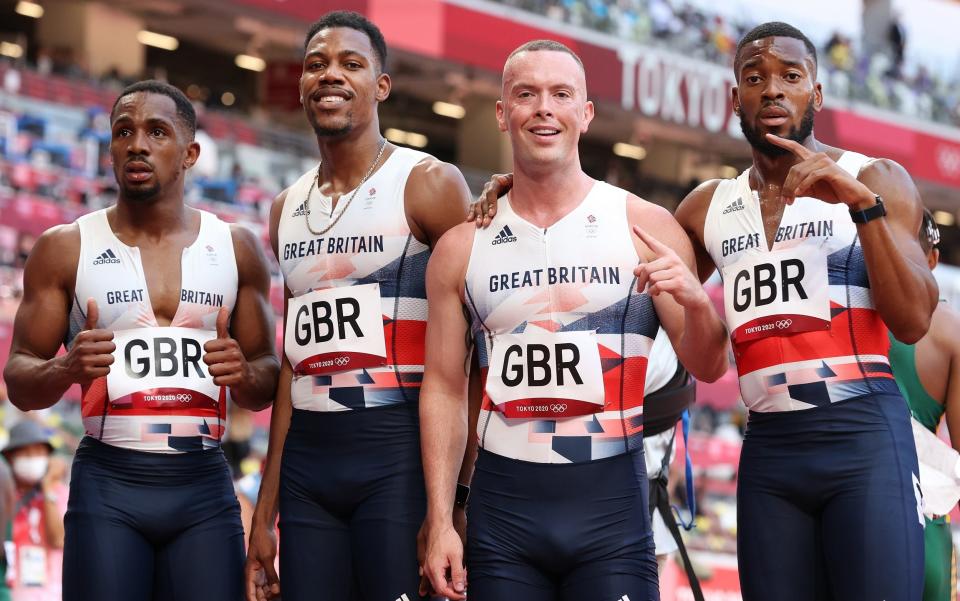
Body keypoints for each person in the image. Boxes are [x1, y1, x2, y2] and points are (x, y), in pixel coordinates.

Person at [470, 21, 937, 601]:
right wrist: (517, 192)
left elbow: (914, 319)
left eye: (790, 77)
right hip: (770, 450)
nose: (772, 91)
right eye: (754, 78)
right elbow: (625, 267)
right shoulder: (706, 208)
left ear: (815, 95)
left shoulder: (874, 178)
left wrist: (862, 208)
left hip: (863, 437)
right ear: (733, 98)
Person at [420, 40, 728, 601]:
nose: (544, 108)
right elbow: (442, 387)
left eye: (561, 94)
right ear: (501, 112)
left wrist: (701, 303)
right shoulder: (462, 247)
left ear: (585, 114)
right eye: (526, 94)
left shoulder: (645, 225)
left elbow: (708, 365)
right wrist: (442, 518)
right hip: (503, 517)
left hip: (611, 515)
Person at [2, 79, 279, 601]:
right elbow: (19, 379)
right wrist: (65, 371)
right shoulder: (64, 248)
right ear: (108, 147)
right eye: (123, 131)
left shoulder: (236, 248)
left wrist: (243, 373)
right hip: (109, 482)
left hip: (202, 483)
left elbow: (265, 381)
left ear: (190, 153)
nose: (137, 144)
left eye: (157, 131)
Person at [243, 11, 473, 601]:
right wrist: (265, 510)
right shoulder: (284, 208)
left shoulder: (428, 183)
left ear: (382, 85)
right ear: (299, 84)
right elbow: (296, 362)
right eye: (316, 64)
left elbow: (475, 353)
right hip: (309, 464)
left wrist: (454, 504)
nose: (330, 76)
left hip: (397, 452)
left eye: (351, 64)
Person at [888, 209, 960, 601]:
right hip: (924, 524)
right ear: (932, 260)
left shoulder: (847, 307)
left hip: (848, 515)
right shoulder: (949, 329)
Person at [1, 420, 66, 601]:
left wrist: (47, 490)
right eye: (25, 452)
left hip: (51, 593)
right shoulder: (5, 494)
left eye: (39, 451)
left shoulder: (59, 493)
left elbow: (58, 539)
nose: (33, 457)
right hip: (11, 592)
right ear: (10, 457)